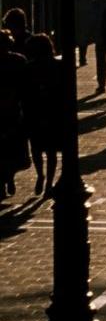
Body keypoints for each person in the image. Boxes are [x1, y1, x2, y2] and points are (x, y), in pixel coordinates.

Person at [22, 34, 66, 197]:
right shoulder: (59, 66)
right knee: (51, 150)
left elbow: (24, 92)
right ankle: (47, 181)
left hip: (36, 111)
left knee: (37, 147)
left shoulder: (29, 68)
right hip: (53, 111)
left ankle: (42, 176)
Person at [0, 31, 28, 199]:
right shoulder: (18, 61)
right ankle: (8, 176)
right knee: (12, 146)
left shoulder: (18, 61)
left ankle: (4, 179)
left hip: (7, 110)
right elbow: (26, 87)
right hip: (13, 110)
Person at [74, 0, 95, 66]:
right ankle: (82, 57)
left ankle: (76, 57)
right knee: (84, 37)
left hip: (75, 15)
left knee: (76, 35)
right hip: (85, 16)